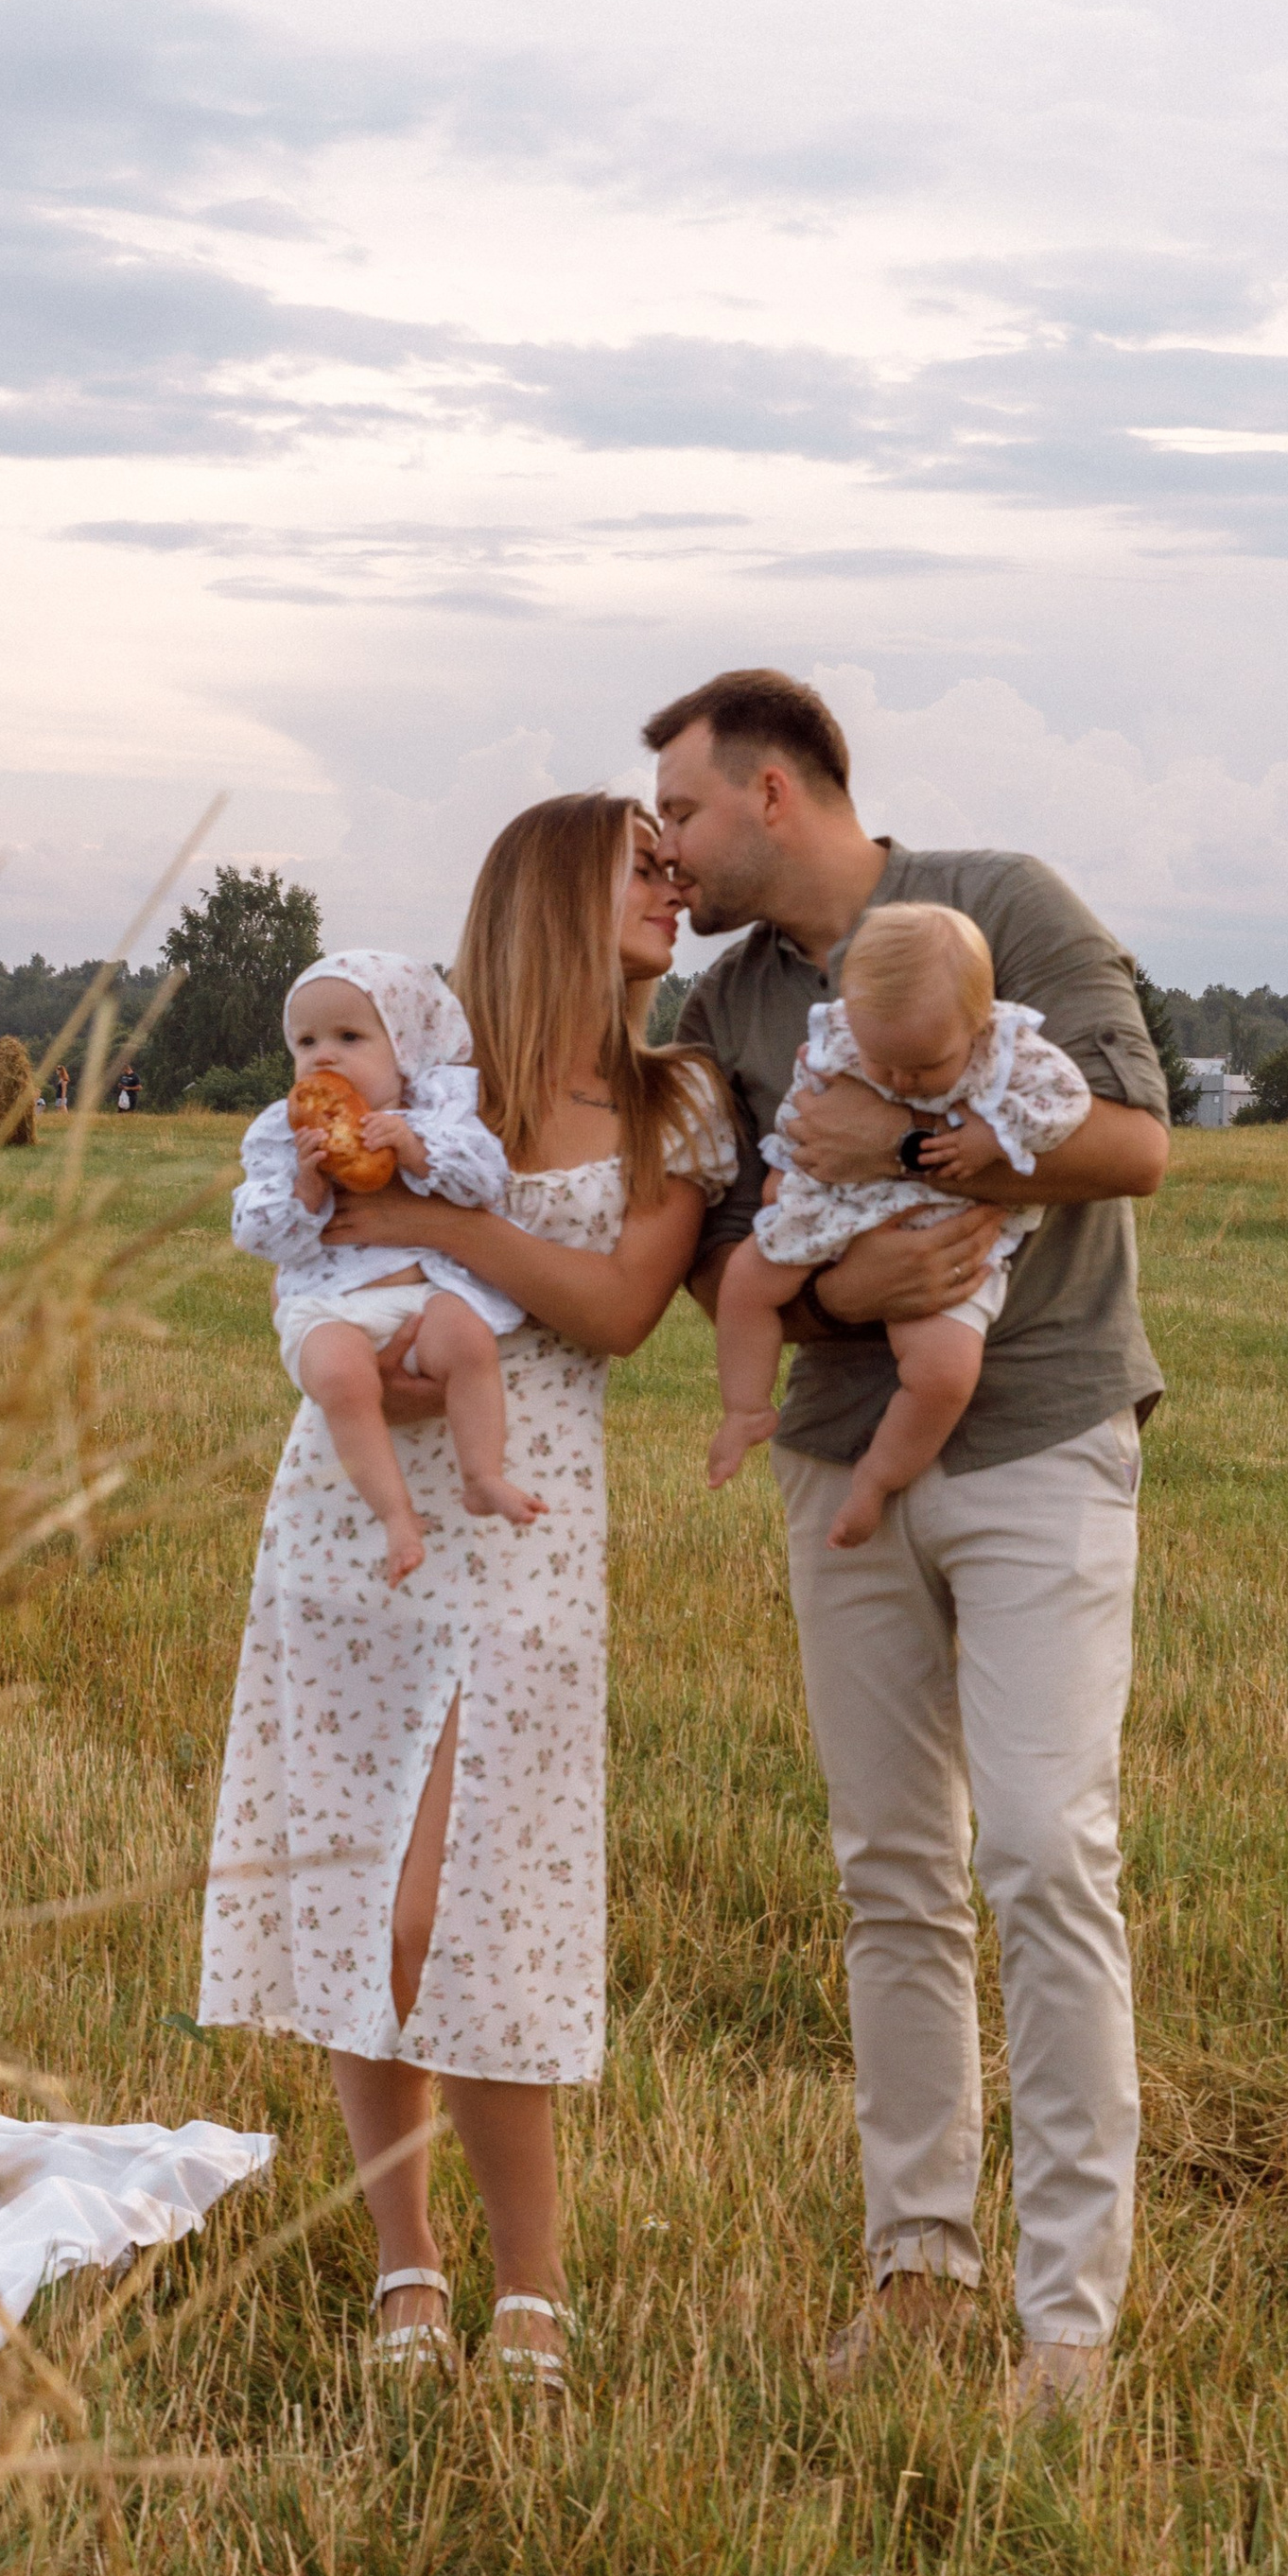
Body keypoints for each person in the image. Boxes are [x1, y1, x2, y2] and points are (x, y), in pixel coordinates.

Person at [651, 669, 1169, 2420]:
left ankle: (1069, 2325)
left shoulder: (1003, 904)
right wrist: (843, 1290)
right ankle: (919, 2274)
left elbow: (1134, 1144)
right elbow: (725, 1250)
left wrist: (915, 1149)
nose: (669, 847)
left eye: (684, 812)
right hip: (834, 1456)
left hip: (1039, 1435)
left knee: (1041, 1849)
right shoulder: (724, 1003)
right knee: (890, 1868)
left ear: (775, 791)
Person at [200, 803, 733, 2395]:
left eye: (675, 863)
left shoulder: (678, 1098)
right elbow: (314, 1246)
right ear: (553, 894)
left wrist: (433, 1224)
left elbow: (618, 1308)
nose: (674, 886)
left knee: (468, 1906)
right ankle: (408, 2269)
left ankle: (534, 2290)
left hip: (527, 1523)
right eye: (641, 865)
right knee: (368, 1899)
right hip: (353, 1524)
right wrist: (367, 1311)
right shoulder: (432, 1073)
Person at [706, 899, 1091, 1548]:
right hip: (835, 1199)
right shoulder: (844, 1034)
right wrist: (786, 1163)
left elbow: (1069, 1102)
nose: (901, 1080)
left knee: (944, 1373)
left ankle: (877, 1479)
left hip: (939, 1222)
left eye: (924, 1067)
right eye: (883, 1063)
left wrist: (994, 1137)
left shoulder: (1012, 1050)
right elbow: (807, 1103)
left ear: (978, 1022)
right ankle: (745, 1408)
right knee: (745, 1281)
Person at [229, 951, 541, 1588]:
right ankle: (396, 1515)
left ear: (404, 1049)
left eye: (349, 1037)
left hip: (423, 1295)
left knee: (468, 1339)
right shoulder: (282, 1137)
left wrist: (415, 1151)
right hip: (328, 1306)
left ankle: (482, 1474)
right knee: (341, 1378)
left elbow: (486, 1183)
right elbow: (254, 1232)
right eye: (306, 1042)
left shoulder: (436, 1117)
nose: (323, 1056)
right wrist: (305, 1189)